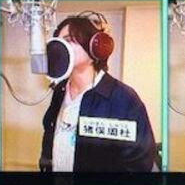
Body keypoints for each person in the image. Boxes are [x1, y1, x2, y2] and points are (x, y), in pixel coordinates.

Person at [40, 13, 156, 172]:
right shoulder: (60, 91)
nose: (61, 47)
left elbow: (140, 161)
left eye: (69, 40)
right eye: (59, 41)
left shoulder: (123, 98)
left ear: (94, 48)